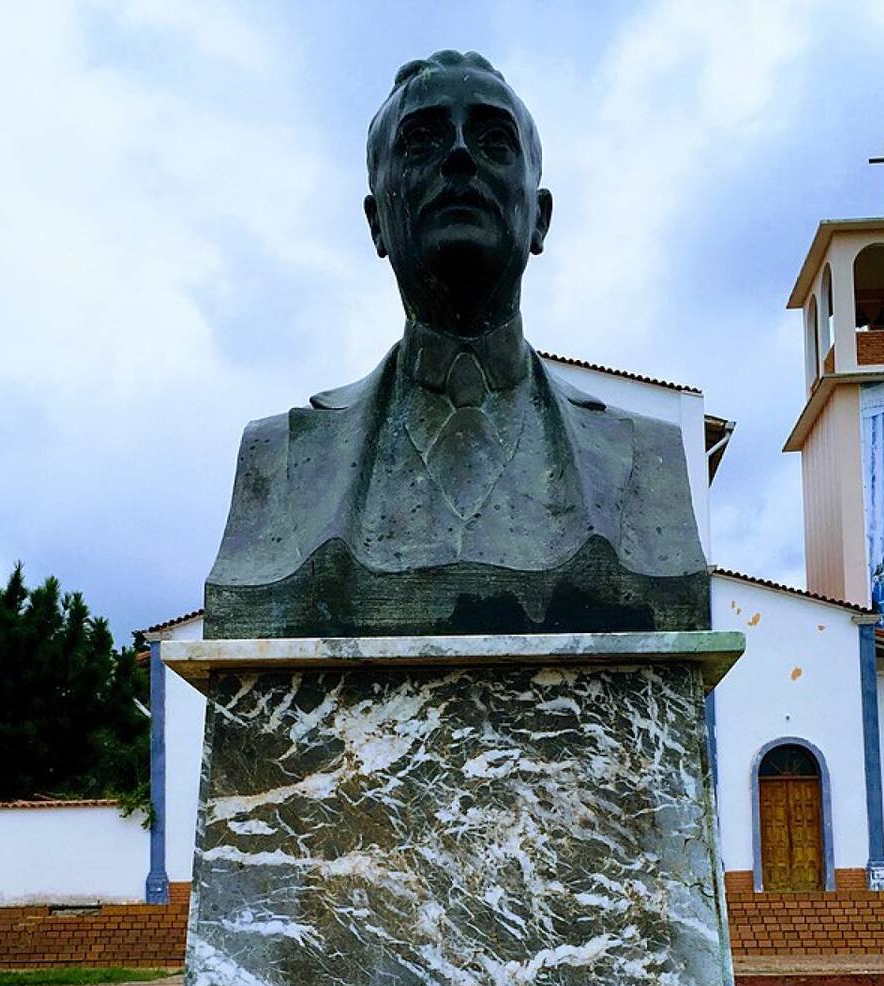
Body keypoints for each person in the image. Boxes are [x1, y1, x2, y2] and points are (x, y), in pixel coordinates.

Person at [206, 50, 709, 638]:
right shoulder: (281, 459)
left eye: (494, 141)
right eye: (421, 142)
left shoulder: (646, 460)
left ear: (540, 217)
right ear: (376, 222)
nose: (461, 158)